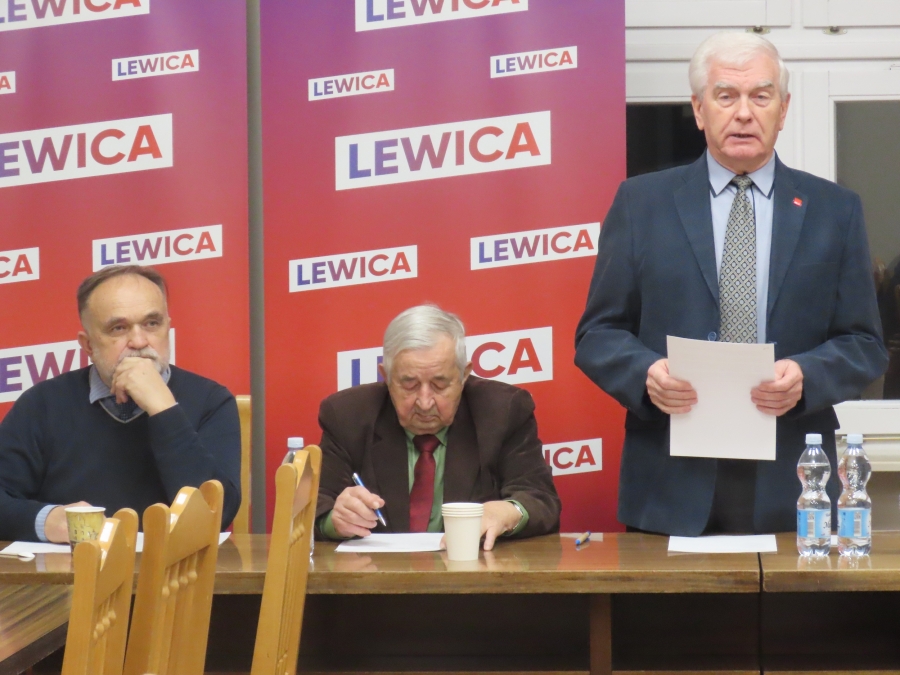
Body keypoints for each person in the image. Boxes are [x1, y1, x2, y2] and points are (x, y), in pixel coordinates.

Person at [574, 32, 889, 536]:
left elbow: (864, 344)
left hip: (793, 477)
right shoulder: (641, 204)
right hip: (669, 478)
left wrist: (806, 376)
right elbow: (597, 334)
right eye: (726, 96)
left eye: (761, 96)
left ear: (783, 110)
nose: (744, 113)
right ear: (699, 110)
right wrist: (646, 374)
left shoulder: (835, 210)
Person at [0, 265, 241, 542]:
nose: (139, 341)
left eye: (152, 323)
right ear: (88, 345)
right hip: (72, 568)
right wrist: (47, 521)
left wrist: (164, 409)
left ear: (167, 327)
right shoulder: (42, 404)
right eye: (118, 328)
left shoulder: (211, 400)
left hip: (174, 568)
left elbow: (217, 514)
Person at [316, 305, 561, 550]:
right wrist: (334, 520)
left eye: (440, 385)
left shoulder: (502, 411)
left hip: (474, 569)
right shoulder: (347, 416)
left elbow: (540, 499)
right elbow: (314, 507)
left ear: (464, 375)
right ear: (386, 376)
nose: (424, 403)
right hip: (377, 571)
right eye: (409, 385)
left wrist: (507, 512)